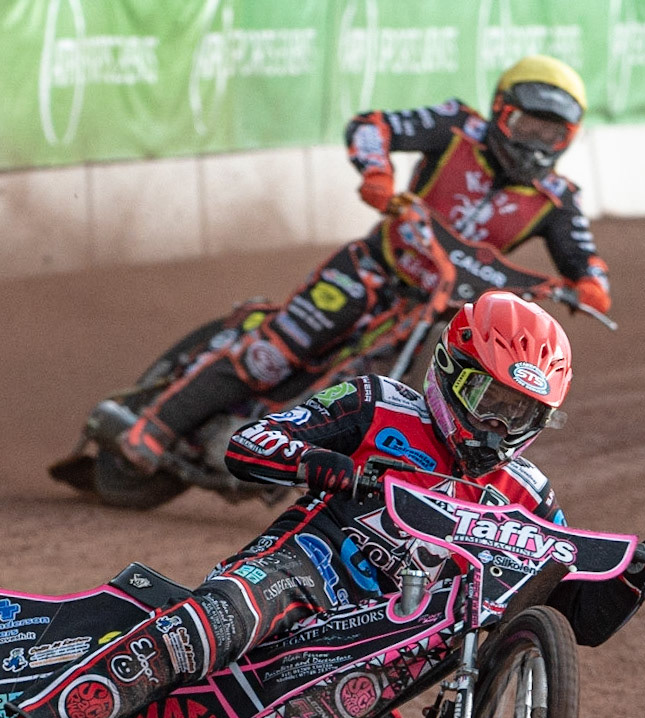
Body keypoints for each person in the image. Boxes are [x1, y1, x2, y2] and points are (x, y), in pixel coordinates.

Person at [0, 291, 645, 718]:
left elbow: (563, 607)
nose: (497, 425)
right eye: (485, 397)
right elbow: (250, 444)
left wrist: (632, 582)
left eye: (519, 413)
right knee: (217, 620)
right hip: (296, 575)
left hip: (374, 656)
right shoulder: (377, 401)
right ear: (448, 369)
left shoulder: (527, 492)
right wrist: (321, 463)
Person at [117, 54, 610, 473]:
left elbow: (587, 260)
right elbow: (372, 125)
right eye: (527, 127)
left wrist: (591, 285)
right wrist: (377, 172)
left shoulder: (557, 199)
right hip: (373, 268)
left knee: (405, 397)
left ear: (569, 139)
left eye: (552, 134)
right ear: (500, 111)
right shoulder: (458, 126)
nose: (535, 145)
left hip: (440, 313)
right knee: (278, 351)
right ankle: (155, 427)